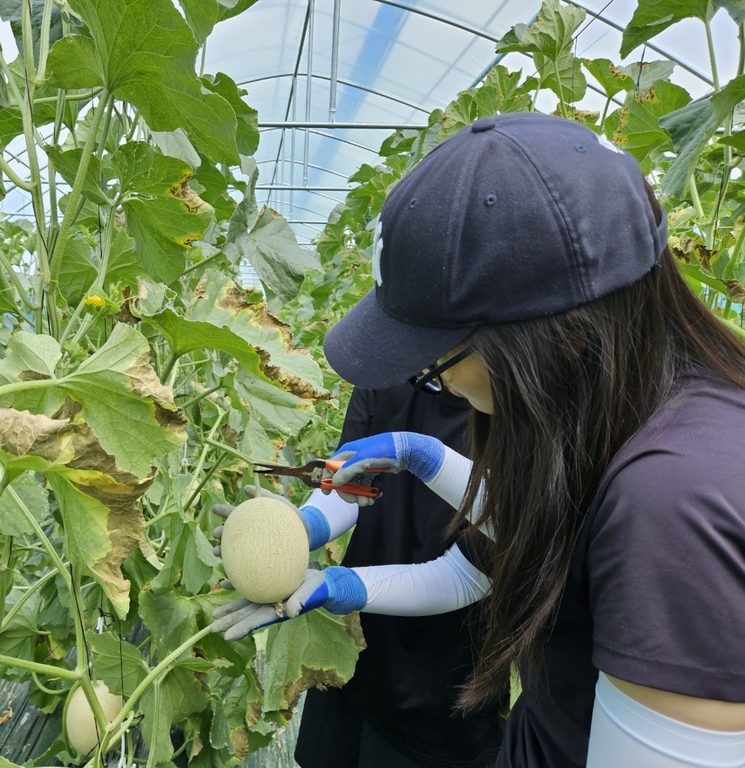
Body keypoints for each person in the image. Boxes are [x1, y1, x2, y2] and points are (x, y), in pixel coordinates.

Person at [215, 112, 745, 768]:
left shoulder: (672, 504)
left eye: (436, 358)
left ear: (545, 337)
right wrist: (325, 549)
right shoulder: (608, 427)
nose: (428, 376)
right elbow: (492, 549)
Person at [214, 384, 504, 768]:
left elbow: (468, 576)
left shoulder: (527, 413)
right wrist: (308, 524)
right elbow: (346, 481)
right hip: (353, 659)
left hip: (441, 688)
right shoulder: (387, 365)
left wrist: (344, 585)